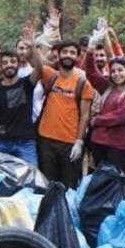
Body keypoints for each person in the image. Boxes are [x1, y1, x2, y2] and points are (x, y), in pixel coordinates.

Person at [37, 37, 93, 189]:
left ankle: (66, 212)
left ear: (78, 57)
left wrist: (79, 142)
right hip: (46, 140)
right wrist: (34, 44)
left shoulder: (83, 83)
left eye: (72, 52)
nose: (68, 55)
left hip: (69, 142)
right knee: (48, 185)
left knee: (68, 186)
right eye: (65, 52)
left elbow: (85, 115)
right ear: (59, 54)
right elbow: (34, 61)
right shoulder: (50, 75)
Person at [84, 44, 125, 171]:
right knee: (100, 179)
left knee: (113, 181)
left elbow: (121, 116)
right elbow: (91, 73)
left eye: (120, 70)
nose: (116, 74)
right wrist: (90, 49)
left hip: (118, 145)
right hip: (98, 141)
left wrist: (97, 120)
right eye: (113, 71)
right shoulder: (107, 87)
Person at [0, 49, 42, 164]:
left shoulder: (27, 83)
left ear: (18, 64)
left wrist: (32, 46)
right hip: (2, 142)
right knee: (3, 179)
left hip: (26, 142)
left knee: (30, 178)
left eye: (12, 61)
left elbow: (39, 68)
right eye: (5, 63)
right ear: (1, 66)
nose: (9, 65)